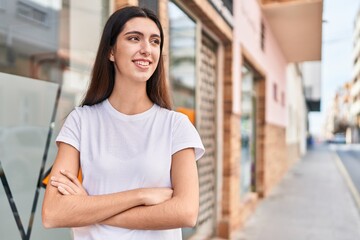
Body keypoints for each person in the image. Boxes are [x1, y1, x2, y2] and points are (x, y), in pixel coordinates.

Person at [42, 6, 205, 240]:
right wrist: (140, 196)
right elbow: (53, 213)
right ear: (111, 51)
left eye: (155, 41)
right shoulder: (82, 121)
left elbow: (186, 212)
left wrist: (86, 207)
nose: (146, 49)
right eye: (134, 38)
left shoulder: (176, 125)